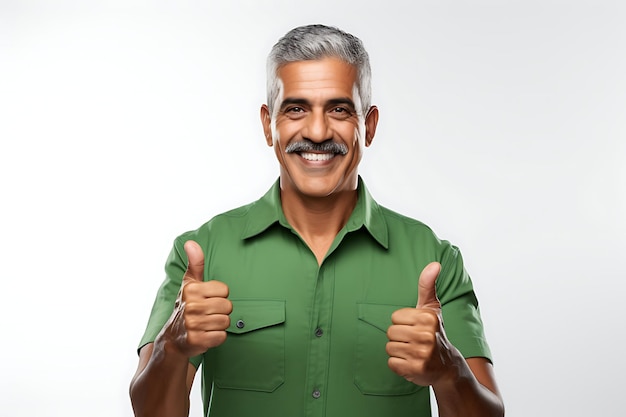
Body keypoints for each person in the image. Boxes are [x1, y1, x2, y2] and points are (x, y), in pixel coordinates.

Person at [129, 24, 505, 417]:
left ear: (369, 126)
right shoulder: (200, 254)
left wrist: (450, 372)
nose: (317, 131)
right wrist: (172, 346)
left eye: (339, 109)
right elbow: (150, 412)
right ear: (267, 125)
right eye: (296, 108)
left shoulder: (435, 260)